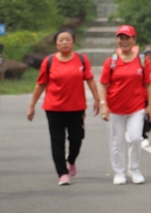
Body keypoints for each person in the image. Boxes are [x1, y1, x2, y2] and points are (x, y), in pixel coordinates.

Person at [26, 28, 100, 186]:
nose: (64, 43)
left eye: (67, 39)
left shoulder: (81, 59)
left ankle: (71, 160)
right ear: (56, 44)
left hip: (76, 108)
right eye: (61, 40)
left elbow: (90, 80)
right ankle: (62, 173)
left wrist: (97, 98)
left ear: (73, 42)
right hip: (54, 108)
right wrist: (31, 105)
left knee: (77, 138)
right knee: (57, 141)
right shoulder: (49, 61)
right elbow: (40, 85)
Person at [98, 25, 151, 185]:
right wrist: (104, 105)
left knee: (136, 138)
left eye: (127, 38)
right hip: (115, 108)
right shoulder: (111, 61)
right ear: (117, 40)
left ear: (134, 40)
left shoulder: (142, 61)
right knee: (117, 141)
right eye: (121, 38)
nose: (124, 41)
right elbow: (103, 84)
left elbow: (149, 84)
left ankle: (134, 169)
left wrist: (150, 106)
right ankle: (119, 172)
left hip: (136, 108)